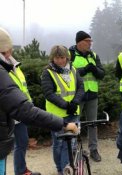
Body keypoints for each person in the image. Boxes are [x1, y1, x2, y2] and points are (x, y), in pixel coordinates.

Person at [0, 27, 78, 175]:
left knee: (21, 144)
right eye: (5, 52)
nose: (9, 55)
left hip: (14, 117)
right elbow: (23, 108)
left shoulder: (11, 66)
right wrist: (63, 124)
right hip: (20, 114)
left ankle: (22, 170)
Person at [41, 45, 84, 175]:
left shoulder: (73, 70)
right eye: (57, 58)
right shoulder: (47, 72)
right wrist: (66, 105)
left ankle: (67, 170)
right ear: (52, 58)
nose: (60, 61)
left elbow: (81, 88)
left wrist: (75, 102)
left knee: (70, 144)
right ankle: (61, 169)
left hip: (73, 113)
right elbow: (49, 93)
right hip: (57, 115)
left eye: (62, 57)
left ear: (67, 57)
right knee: (59, 144)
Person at [69, 31, 105, 162]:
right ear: (79, 42)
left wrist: (94, 69)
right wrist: (84, 70)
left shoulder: (94, 56)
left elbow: (102, 74)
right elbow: (68, 73)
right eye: (87, 41)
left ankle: (93, 150)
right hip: (77, 96)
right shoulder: (70, 55)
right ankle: (73, 151)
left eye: (91, 41)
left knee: (93, 124)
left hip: (92, 95)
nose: (90, 44)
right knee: (74, 123)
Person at [7, 48, 40, 174]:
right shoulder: (3, 68)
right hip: (10, 113)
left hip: (21, 111)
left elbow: (22, 88)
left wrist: (29, 104)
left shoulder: (15, 65)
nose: (10, 50)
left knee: (22, 141)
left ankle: (21, 170)